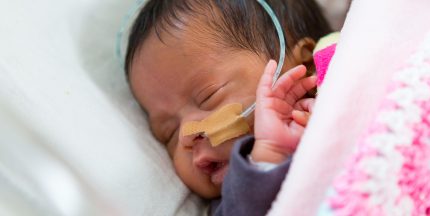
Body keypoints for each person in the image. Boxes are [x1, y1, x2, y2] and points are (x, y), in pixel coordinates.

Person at [124, 0, 331, 215]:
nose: (186, 134)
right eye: (169, 133)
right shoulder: (230, 206)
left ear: (305, 65)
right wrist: (267, 158)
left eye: (209, 96)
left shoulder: (348, 80)